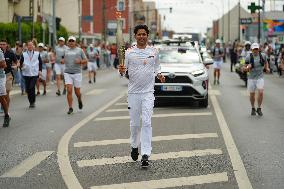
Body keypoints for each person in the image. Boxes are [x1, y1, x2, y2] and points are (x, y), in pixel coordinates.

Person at [118, 25, 165, 168]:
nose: (142, 36)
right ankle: (134, 145)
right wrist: (120, 70)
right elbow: (122, 71)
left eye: (144, 34)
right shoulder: (129, 52)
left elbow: (157, 67)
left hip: (148, 93)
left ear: (147, 36)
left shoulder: (154, 51)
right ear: (135, 36)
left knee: (146, 122)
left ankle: (145, 153)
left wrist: (160, 75)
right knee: (135, 124)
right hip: (133, 93)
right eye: (139, 34)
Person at [62, 36, 87, 114]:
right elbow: (63, 59)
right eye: (70, 41)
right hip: (67, 72)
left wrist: (80, 62)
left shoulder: (80, 50)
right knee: (69, 90)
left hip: (77, 73)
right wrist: (63, 60)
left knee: (77, 93)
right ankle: (70, 108)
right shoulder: (65, 50)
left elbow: (86, 60)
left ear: (75, 42)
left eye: (73, 41)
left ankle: (79, 100)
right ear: (68, 42)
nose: (71, 42)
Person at [244, 43, 270, 116]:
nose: (255, 50)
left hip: (260, 77)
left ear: (258, 49)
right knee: (252, 95)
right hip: (251, 78)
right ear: (251, 50)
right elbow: (244, 68)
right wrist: (247, 67)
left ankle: (259, 108)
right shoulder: (248, 57)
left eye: (257, 49)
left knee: (261, 92)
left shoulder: (263, 55)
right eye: (254, 49)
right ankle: (253, 108)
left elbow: (266, 62)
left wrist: (267, 68)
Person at [20, 41, 42, 108]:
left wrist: (40, 70)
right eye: (29, 45)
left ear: (33, 46)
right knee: (28, 89)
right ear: (27, 46)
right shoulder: (23, 54)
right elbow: (21, 63)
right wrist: (22, 66)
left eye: (31, 45)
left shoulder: (37, 54)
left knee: (31, 87)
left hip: (34, 73)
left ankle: (33, 102)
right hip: (26, 73)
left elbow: (40, 62)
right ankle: (30, 101)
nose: (30, 46)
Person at [0, 39, 18, 111]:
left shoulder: (10, 53)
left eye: (3, 44)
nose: (2, 46)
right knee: (1, 94)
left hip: (8, 75)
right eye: (0, 44)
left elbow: (17, 62)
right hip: (0, 75)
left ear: (6, 45)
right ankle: (3, 105)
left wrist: (16, 66)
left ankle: (6, 110)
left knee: (6, 92)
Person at [0, 49, 11, 127]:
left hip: (0, 77)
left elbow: (4, 65)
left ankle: (6, 115)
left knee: (1, 97)